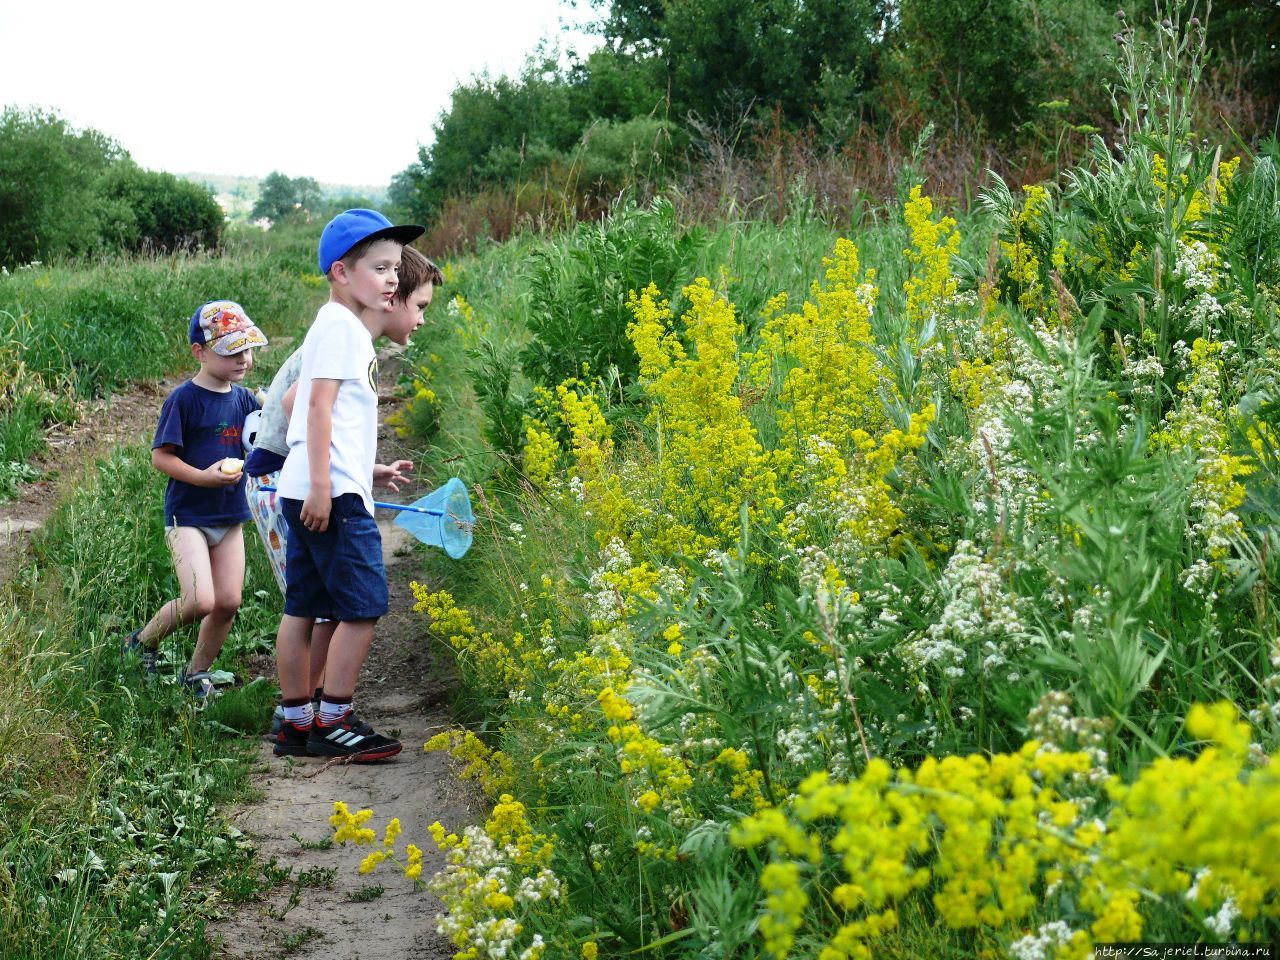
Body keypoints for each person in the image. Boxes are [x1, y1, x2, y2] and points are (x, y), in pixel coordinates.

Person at [245, 244, 443, 734]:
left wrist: (355, 465)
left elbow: (307, 403)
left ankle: (298, 720)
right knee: (361, 605)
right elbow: (304, 405)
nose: (419, 318)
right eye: (419, 306)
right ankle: (332, 718)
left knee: (308, 606)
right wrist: (326, 478)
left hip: (314, 481)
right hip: (315, 488)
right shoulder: (345, 330)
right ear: (385, 299)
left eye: (395, 271)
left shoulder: (338, 329)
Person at [122, 300, 268, 700]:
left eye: (248, 349)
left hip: (230, 517)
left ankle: (195, 674)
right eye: (231, 351)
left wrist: (273, 408)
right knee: (199, 600)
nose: (244, 359)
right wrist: (203, 478)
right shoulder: (184, 400)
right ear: (199, 352)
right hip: (187, 516)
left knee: (228, 602)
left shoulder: (246, 401)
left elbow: (268, 436)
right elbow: (161, 457)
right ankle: (140, 643)